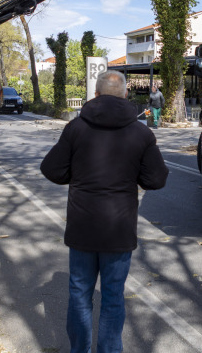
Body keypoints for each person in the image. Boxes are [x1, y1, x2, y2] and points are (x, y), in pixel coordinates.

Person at [40, 70, 168, 353]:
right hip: (119, 228)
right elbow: (156, 179)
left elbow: (51, 169)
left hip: (82, 226)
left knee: (79, 294)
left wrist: (76, 175)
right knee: (113, 297)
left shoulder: (76, 128)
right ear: (125, 94)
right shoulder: (141, 133)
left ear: (95, 94)